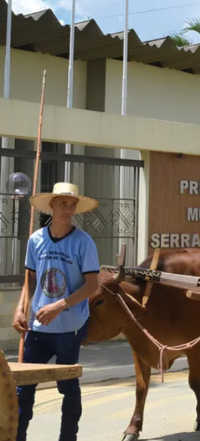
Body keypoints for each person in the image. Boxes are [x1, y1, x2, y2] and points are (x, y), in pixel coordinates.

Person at [11, 183, 100, 441]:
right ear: (51, 206)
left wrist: (59, 306)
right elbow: (30, 279)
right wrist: (20, 309)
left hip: (69, 327)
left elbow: (93, 285)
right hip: (38, 328)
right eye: (63, 203)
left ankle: (67, 438)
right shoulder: (36, 239)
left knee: (68, 386)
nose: (68, 209)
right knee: (23, 389)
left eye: (72, 205)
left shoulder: (83, 242)